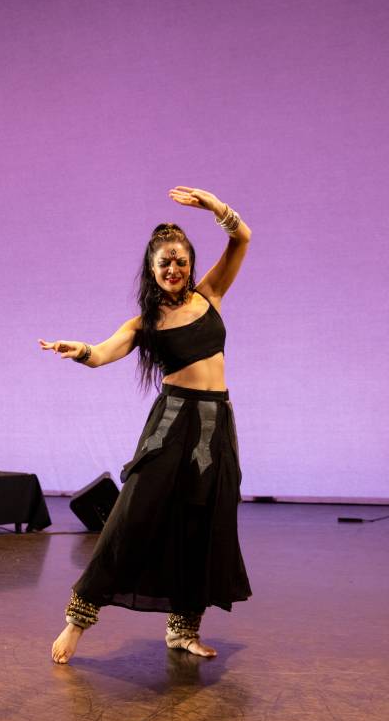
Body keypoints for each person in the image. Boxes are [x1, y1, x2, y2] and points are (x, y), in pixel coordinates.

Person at [39, 186, 252, 662]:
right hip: (171, 426)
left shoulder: (211, 295)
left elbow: (242, 239)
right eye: (164, 264)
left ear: (190, 263)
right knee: (131, 516)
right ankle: (78, 617)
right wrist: (81, 352)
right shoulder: (144, 323)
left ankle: (183, 629)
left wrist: (216, 207)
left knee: (202, 525)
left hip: (216, 425)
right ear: (152, 272)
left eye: (179, 261)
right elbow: (102, 353)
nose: (173, 269)